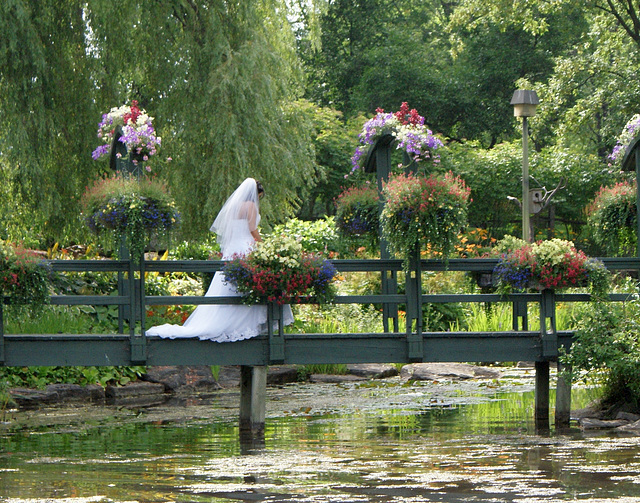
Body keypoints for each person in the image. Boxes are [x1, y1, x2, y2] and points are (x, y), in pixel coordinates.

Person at [146, 177, 293, 342]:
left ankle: (228, 320)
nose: (258, 200)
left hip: (233, 249)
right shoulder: (250, 205)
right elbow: (252, 228)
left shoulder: (234, 206)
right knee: (251, 284)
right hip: (246, 247)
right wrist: (263, 245)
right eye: (259, 196)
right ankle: (245, 325)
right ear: (255, 193)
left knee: (227, 286)